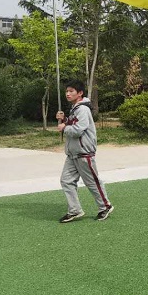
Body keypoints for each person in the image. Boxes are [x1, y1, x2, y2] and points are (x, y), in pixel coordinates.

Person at [56, 80, 113, 222]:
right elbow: (73, 124)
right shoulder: (75, 108)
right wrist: (64, 120)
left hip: (84, 152)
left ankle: (105, 206)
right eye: (66, 91)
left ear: (80, 93)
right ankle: (75, 210)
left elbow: (78, 130)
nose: (68, 94)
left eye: (71, 91)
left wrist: (65, 127)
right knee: (66, 181)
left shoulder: (83, 109)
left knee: (92, 181)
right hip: (73, 153)